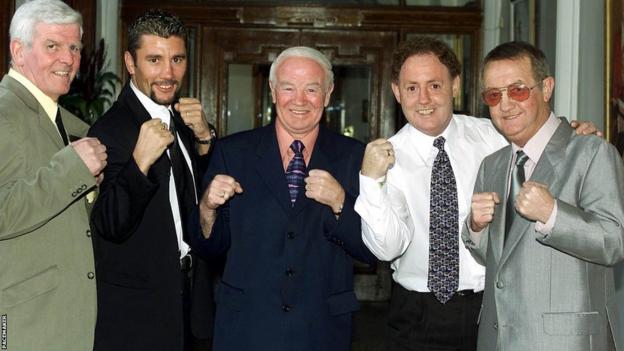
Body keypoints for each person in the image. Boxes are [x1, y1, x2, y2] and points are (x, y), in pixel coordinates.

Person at [354, 36, 599, 351]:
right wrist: (371, 181)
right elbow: (387, 249)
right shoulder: (387, 159)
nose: (423, 98)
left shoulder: (493, 135)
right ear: (397, 92)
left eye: (435, 85)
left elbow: (545, 150)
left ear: (455, 86)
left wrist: (576, 138)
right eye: (412, 87)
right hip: (417, 315)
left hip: (496, 306)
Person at [192, 46, 376, 351]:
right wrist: (207, 208)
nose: (300, 100)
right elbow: (209, 247)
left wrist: (341, 202)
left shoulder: (354, 157)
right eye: (289, 88)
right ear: (273, 91)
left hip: (322, 329)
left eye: (312, 89)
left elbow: (371, 251)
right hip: (246, 328)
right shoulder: (232, 153)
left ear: (328, 94)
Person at [465, 41, 624, 350]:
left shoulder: (592, 153)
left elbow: (615, 241)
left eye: (518, 90)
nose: (505, 105)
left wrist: (553, 215)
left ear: (547, 87)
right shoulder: (492, 165)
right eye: (494, 95)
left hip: (568, 342)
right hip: (497, 338)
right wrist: (475, 227)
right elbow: (501, 259)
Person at [88, 9, 216, 351]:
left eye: (177, 59)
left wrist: (204, 138)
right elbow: (109, 225)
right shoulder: (109, 130)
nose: (168, 73)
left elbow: (201, 199)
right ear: (131, 63)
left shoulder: (184, 120)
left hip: (190, 301)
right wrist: (139, 162)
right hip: (139, 313)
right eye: (155, 60)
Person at [0, 0, 107, 350]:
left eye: (74, 47)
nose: (68, 59)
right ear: (19, 50)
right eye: (53, 46)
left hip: (62, 320)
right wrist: (72, 171)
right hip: (23, 325)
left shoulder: (69, 122)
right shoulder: (3, 112)